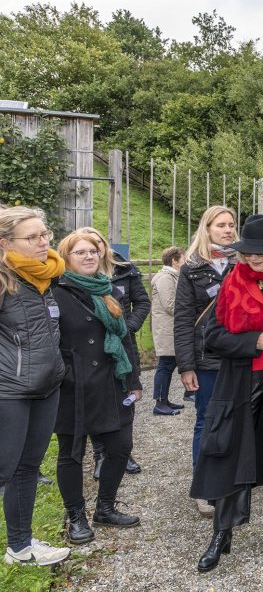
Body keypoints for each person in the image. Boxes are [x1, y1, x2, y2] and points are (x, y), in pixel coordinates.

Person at [190, 215, 263, 572]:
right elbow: (212, 336)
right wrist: (252, 340)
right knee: (231, 452)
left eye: (260, 252)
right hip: (243, 380)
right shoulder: (233, 281)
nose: (253, 258)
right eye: (248, 252)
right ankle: (221, 533)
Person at [52, 230, 143, 545]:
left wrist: (134, 381)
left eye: (92, 251)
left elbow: (124, 338)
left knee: (120, 446)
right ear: (66, 258)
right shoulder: (55, 291)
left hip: (111, 382)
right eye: (80, 252)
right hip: (72, 386)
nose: (89, 256)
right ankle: (75, 516)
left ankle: (105, 507)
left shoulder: (109, 290)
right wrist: (62, 373)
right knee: (71, 454)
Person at [0, 207, 71, 566]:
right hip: (9, 391)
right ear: (5, 243)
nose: (44, 243)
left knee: (28, 467)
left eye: (45, 234)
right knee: (5, 468)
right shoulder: (3, 279)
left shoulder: (45, 278)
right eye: (32, 237)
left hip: (46, 386)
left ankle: (20, 546)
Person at [174, 206, 237, 517]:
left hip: (240, 354)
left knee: (238, 419)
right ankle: (204, 486)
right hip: (207, 358)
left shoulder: (244, 263)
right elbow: (184, 319)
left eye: (231, 225)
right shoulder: (192, 268)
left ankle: (233, 478)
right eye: (220, 225)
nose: (227, 230)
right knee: (207, 420)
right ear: (207, 228)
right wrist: (186, 366)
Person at [79, 226, 149, 477]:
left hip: (124, 345)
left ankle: (123, 451)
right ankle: (100, 453)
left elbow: (142, 302)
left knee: (126, 395)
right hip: (92, 349)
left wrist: (127, 327)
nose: (94, 251)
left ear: (104, 246)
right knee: (96, 401)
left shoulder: (125, 269)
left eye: (97, 245)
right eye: (87, 246)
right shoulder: (78, 275)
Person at [150, 246, 185, 415]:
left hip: (171, 328)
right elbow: (170, 305)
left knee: (169, 365)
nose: (185, 262)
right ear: (175, 261)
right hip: (167, 329)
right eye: (183, 259)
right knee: (165, 365)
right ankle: (159, 403)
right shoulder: (166, 278)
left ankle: (165, 400)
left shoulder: (172, 277)